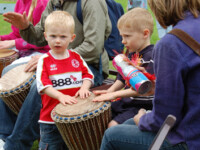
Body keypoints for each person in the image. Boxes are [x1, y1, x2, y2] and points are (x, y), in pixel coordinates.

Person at [100, 0, 200, 150]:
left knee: (111, 136)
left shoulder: (172, 43)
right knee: (127, 124)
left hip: (189, 138)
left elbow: (164, 118)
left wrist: (142, 119)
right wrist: (158, 86)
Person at [3, 0, 111, 87]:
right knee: (8, 74)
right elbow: (40, 37)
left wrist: (52, 59)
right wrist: (25, 27)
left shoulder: (91, 3)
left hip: (89, 68)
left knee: (39, 84)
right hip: (58, 61)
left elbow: (92, 48)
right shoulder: (54, 2)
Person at [36, 11, 94, 149]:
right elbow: (44, 85)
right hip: (50, 119)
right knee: (51, 146)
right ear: (45, 36)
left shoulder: (76, 57)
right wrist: (60, 96)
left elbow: (88, 76)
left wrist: (84, 88)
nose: (57, 40)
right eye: (53, 36)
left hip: (75, 117)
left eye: (63, 36)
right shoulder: (45, 60)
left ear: (72, 38)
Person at [0, 0, 50, 150]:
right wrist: (4, 39)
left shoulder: (43, 3)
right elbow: (16, 34)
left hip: (42, 54)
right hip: (27, 54)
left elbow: (45, 41)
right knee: (6, 72)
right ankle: (3, 132)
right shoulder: (21, 2)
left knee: (7, 72)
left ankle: (6, 133)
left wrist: (14, 43)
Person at [93, 8, 154, 128]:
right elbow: (122, 77)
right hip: (125, 102)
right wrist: (110, 91)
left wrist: (114, 95)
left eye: (127, 36)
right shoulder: (131, 53)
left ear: (145, 34)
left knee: (112, 126)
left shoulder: (151, 57)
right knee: (98, 117)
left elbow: (144, 88)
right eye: (121, 36)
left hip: (140, 106)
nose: (123, 41)